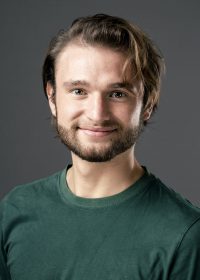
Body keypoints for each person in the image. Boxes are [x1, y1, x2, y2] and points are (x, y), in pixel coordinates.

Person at [0, 14, 200, 280]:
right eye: (79, 91)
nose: (97, 114)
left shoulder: (185, 235)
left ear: (148, 105)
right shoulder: (14, 211)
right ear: (52, 97)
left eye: (118, 94)